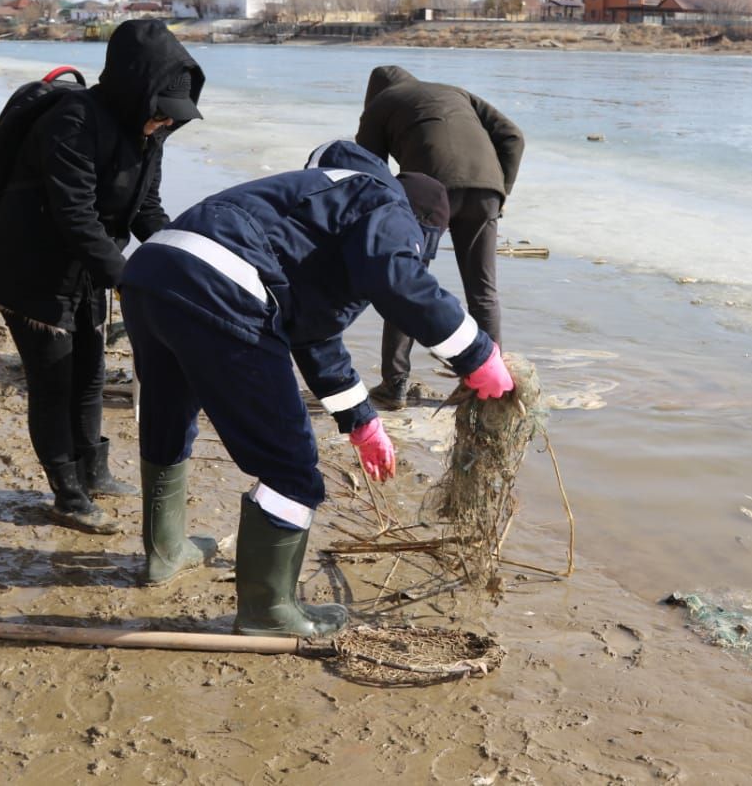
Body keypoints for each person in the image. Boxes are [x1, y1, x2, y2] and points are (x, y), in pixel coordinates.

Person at [118, 140, 514, 635]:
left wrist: (362, 421)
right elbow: (399, 281)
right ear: (421, 229)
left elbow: (315, 335)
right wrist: (478, 354)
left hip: (152, 268)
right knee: (291, 467)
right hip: (222, 280)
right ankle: (268, 611)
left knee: (168, 414)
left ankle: (165, 552)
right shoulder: (387, 203)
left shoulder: (328, 207)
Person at [0, 20, 204, 534]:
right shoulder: (72, 119)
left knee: (90, 374)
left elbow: (148, 209)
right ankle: (67, 496)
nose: (164, 124)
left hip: (87, 270)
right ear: (135, 91)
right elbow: (74, 215)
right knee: (54, 384)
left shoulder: (149, 132)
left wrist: (180, 256)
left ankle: (93, 472)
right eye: (160, 113)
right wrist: (130, 281)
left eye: (172, 118)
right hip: (31, 269)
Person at [355, 65, 525, 409]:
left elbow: (368, 171)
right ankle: (489, 387)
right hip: (486, 189)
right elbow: (513, 136)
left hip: (430, 190)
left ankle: (395, 384)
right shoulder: (456, 92)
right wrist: (500, 191)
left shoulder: (381, 104)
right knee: (483, 291)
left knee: (404, 285)